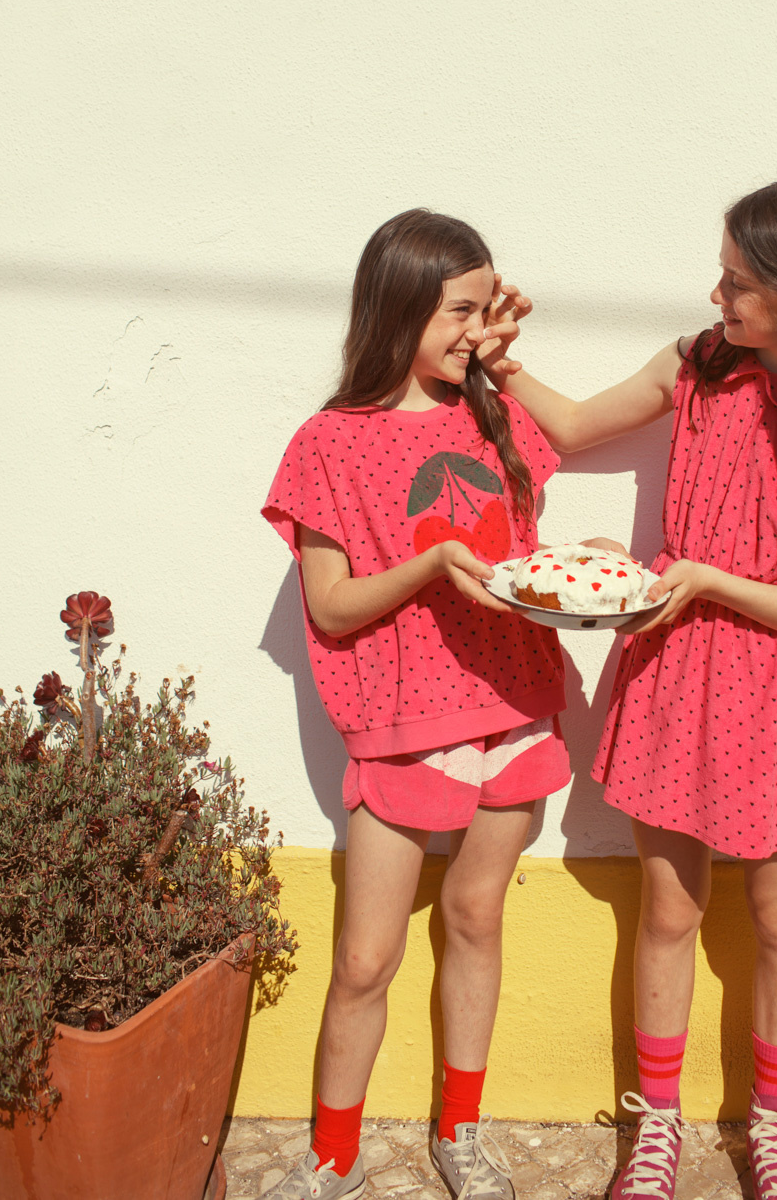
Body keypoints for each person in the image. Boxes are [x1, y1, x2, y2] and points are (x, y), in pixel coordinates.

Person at [486, 178, 777, 1200]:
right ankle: (657, 1128)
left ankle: (771, 1128)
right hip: (678, 674)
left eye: (738, 281)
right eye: (721, 274)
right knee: (669, 912)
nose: (716, 294)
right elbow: (576, 426)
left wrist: (711, 580)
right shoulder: (693, 367)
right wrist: (501, 364)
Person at [262, 210, 571, 1200]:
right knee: (365, 958)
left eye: (485, 308)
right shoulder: (327, 443)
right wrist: (432, 563)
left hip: (512, 704)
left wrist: (589, 563)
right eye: (457, 312)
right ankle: (334, 1155)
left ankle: (460, 1132)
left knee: (476, 918)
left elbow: (524, 556)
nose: (476, 332)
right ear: (397, 309)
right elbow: (330, 606)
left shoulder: (500, 418)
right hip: (401, 725)